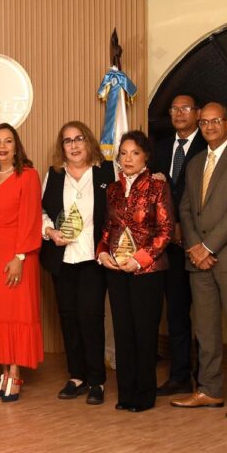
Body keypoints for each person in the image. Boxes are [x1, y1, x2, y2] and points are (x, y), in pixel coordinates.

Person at [171, 102, 227, 418]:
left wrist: (207, 247)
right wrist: (196, 246)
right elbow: (184, 208)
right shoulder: (194, 163)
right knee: (205, 330)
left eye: (215, 121)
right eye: (204, 121)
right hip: (198, 260)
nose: (209, 126)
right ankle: (208, 389)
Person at [96, 131, 173, 412]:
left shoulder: (157, 186)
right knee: (123, 332)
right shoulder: (113, 190)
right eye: (124, 153)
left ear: (146, 157)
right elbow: (107, 228)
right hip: (116, 269)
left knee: (144, 332)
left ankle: (144, 395)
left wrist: (139, 260)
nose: (128, 158)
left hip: (148, 272)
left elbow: (165, 231)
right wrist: (102, 252)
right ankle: (125, 393)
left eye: (135, 153)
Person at [40, 121, 114, 405]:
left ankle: (97, 380)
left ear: (88, 141)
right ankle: (77, 376)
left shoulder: (107, 171)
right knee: (69, 318)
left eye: (78, 138)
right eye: (67, 141)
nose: (73, 145)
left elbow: (120, 210)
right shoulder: (54, 175)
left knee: (91, 317)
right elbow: (41, 211)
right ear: (62, 147)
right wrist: (49, 231)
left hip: (94, 258)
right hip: (63, 258)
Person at [0, 123, 43, 402]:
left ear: (17, 146)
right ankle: (4, 373)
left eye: (8, 141)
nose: (2, 147)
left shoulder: (27, 175)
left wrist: (20, 257)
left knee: (15, 313)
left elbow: (31, 218)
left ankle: (15, 373)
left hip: (16, 254)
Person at [150, 94, 206, 396]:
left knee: (206, 316)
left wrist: (187, 227)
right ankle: (180, 375)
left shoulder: (208, 145)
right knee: (176, 313)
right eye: (174, 109)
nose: (180, 113)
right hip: (168, 245)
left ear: (197, 114)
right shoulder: (159, 149)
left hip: (202, 242)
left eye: (186, 108)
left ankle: (206, 378)